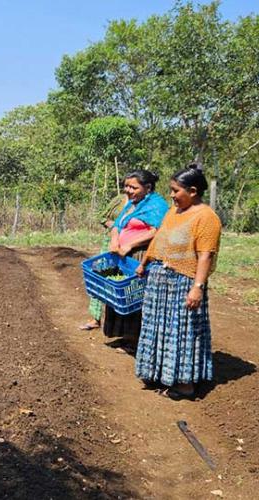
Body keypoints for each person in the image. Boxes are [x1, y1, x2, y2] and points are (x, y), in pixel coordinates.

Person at [134, 164, 222, 400]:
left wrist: (197, 287)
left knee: (181, 331)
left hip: (184, 282)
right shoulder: (174, 211)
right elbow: (160, 237)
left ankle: (184, 384)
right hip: (160, 278)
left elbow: (205, 255)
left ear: (193, 191)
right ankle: (157, 373)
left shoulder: (206, 218)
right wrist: (145, 262)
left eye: (176, 191)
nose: (171, 195)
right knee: (157, 327)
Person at [102, 170, 169, 349]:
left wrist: (130, 245)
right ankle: (123, 335)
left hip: (140, 255)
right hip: (121, 255)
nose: (128, 190)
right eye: (126, 186)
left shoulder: (157, 205)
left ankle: (135, 340)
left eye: (133, 187)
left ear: (148, 187)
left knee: (135, 296)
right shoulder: (132, 203)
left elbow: (156, 231)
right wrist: (115, 240)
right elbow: (117, 224)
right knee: (119, 294)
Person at [80, 188, 128, 331]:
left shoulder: (145, 205)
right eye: (127, 186)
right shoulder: (119, 200)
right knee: (99, 277)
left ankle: (117, 327)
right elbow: (102, 217)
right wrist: (113, 225)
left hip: (127, 247)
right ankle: (95, 317)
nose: (129, 190)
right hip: (109, 243)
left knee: (119, 283)